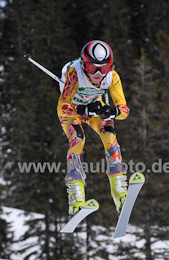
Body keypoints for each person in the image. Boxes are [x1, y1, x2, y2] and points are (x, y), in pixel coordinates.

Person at [57, 40, 131, 216]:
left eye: (103, 69)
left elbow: (124, 110)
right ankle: (76, 196)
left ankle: (119, 190)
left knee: (109, 133)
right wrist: (82, 109)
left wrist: (112, 111)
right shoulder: (75, 73)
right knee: (78, 138)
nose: (98, 74)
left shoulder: (112, 77)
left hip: (93, 108)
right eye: (93, 69)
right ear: (84, 65)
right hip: (72, 110)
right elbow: (63, 106)